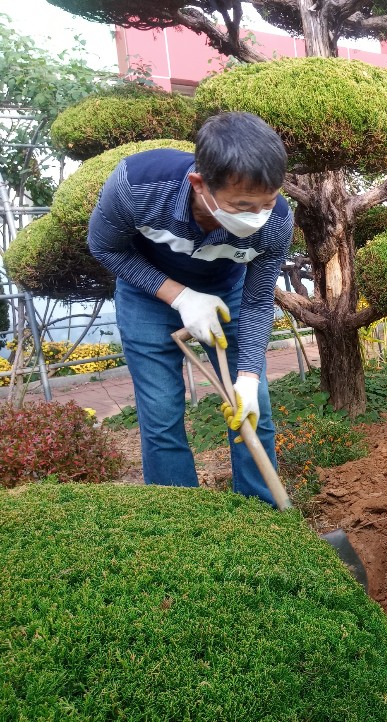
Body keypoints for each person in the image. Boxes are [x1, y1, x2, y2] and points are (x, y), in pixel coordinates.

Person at [88, 111, 293, 507]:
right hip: (147, 294)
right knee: (161, 415)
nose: (258, 217)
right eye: (243, 205)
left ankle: (263, 518)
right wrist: (180, 297)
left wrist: (248, 377)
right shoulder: (139, 186)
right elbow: (104, 247)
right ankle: (182, 520)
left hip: (229, 298)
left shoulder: (276, 223)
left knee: (255, 411)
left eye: (268, 202)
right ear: (200, 184)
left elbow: (257, 300)